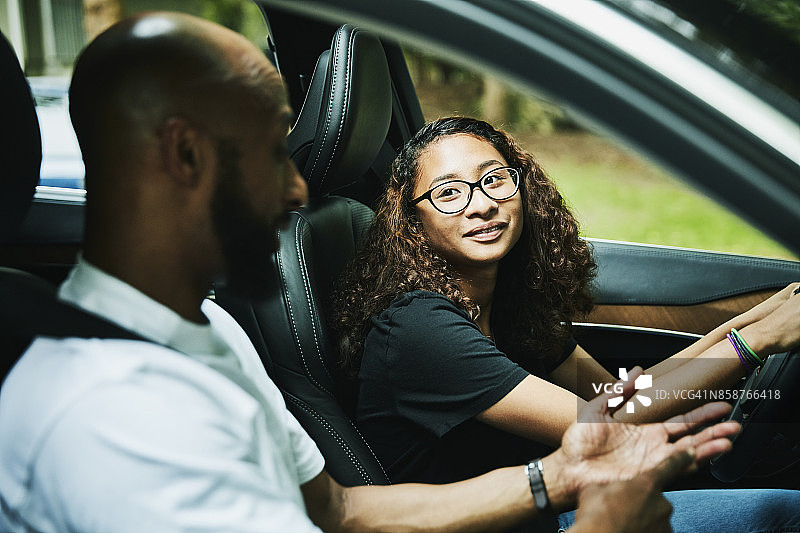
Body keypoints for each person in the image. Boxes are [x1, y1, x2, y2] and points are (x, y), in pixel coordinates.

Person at [0, 12, 740, 533]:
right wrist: (605, 521)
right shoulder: (112, 416)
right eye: (272, 153)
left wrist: (560, 478)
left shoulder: (209, 330)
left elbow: (341, 513)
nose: (297, 192)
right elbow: (607, 406)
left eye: (495, 180)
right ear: (186, 155)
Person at [333, 116, 800, 531]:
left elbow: (613, 399)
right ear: (414, 222)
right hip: (537, 524)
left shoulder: (511, 307)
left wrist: (766, 316)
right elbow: (609, 424)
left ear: (521, 188)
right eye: (448, 193)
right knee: (785, 513)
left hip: (549, 515)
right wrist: (754, 342)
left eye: (493, 179)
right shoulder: (419, 328)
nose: (480, 205)